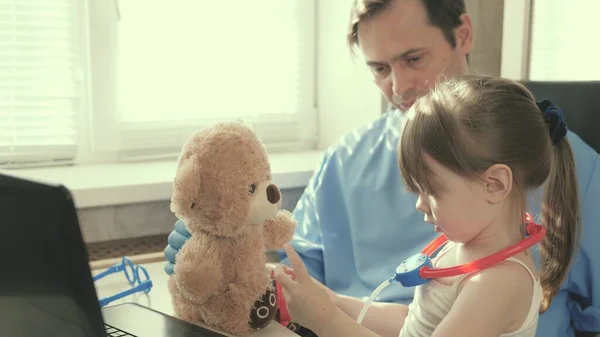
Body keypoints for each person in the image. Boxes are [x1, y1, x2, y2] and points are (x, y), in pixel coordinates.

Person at [164, 1, 600, 336]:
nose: (400, 86)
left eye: (414, 59)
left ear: (463, 33)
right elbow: (297, 271)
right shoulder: (344, 159)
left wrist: (329, 318)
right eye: (379, 68)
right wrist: (222, 249)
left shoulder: (573, 169)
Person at [273, 74, 580, 337]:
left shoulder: (499, 282)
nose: (420, 204)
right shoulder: (462, 247)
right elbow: (415, 323)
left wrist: (324, 319)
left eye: (431, 189)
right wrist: (332, 300)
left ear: (495, 184)